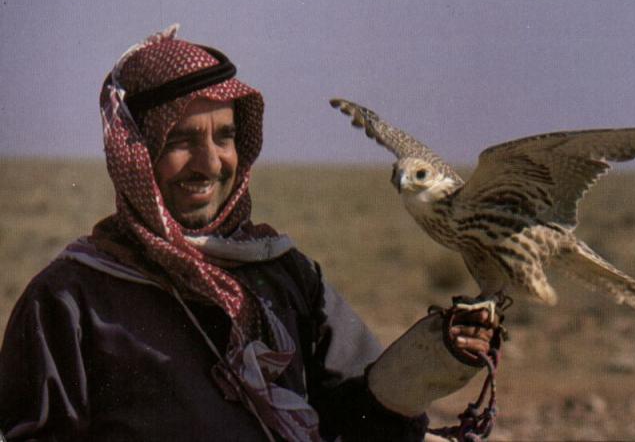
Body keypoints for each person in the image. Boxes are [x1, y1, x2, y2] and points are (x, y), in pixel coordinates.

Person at [0, 25, 500, 441]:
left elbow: (359, 418)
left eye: (225, 136)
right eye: (180, 141)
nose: (210, 162)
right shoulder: (69, 300)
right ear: (135, 153)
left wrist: (434, 357)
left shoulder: (283, 274)